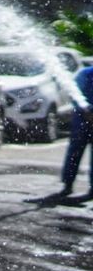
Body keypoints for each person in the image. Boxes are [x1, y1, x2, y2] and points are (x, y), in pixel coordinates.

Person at [57, 64, 93, 197]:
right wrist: (85, 111)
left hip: (83, 118)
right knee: (74, 152)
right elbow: (73, 94)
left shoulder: (85, 73)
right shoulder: (85, 73)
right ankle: (68, 184)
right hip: (81, 119)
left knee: (75, 152)